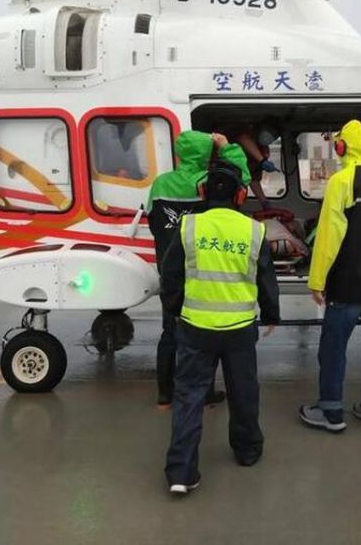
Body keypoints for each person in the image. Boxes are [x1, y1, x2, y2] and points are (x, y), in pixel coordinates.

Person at [161, 161, 281, 494]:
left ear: (202, 191)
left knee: (189, 397)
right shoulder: (254, 230)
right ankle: (247, 451)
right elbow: (266, 278)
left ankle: (181, 473)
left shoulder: (188, 227)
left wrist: (174, 311)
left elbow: (170, 276)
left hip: (195, 327)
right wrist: (271, 314)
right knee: (244, 392)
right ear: (242, 195)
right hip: (240, 329)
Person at [299, 120, 361, 432]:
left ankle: (331, 411)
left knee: (333, 347)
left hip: (349, 283)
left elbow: (328, 238)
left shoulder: (341, 181)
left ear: (341, 147)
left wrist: (317, 281)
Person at [147, 130, 250, 407]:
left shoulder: (160, 184)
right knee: (201, 339)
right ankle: (202, 393)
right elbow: (242, 178)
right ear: (207, 156)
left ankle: (164, 395)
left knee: (170, 331)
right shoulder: (209, 182)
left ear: (179, 154)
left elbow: (153, 221)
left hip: (170, 268)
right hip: (199, 271)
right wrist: (227, 146)